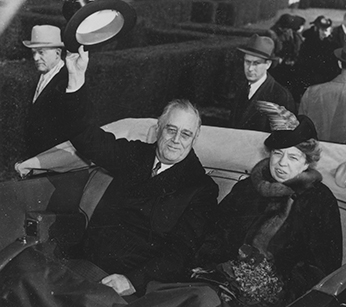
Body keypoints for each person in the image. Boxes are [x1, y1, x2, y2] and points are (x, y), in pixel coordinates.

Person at [2, 52, 219, 306]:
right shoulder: (135, 154)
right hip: (84, 265)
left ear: (194, 139)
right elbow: (87, 138)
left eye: (185, 134)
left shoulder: (201, 189)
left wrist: (131, 280)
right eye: (171, 130)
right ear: (159, 128)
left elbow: (179, 255)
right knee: (20, 266)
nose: (176, 140)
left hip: (129, 286)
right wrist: (76, 79)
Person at [124, 102, 342, 307]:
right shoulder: (247, 188)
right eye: (278, 154)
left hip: (278, 297)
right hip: (219, 281)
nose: (282, 163)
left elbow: (322, 267)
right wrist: (218, 266)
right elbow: (212, 232)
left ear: (307, 162)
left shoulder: (319, 200)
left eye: (293, 158)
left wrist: (276, 289)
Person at [22, 25, 89, 159]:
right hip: (38, 156)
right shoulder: (43, 74)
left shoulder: (68, 80)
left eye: (41, 52)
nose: (35, 58)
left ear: (57, 53)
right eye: (33, 52)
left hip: (56, 159)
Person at [229, 34, 296, 132]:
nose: (250, 69)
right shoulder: (241, 89)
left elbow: (284, 140)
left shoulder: (281, 96)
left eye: (256, 63)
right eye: (247, 62)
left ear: (268, 64)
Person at [294, 16, 340, 103]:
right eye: (322, 30)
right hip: (311, 79)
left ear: (330, 30)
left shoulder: (335, 45)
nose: (324, 33)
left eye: (326, 30)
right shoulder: (309, 43)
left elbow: (335, 67)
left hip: (326, 80)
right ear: (318, 30)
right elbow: (302, 62)